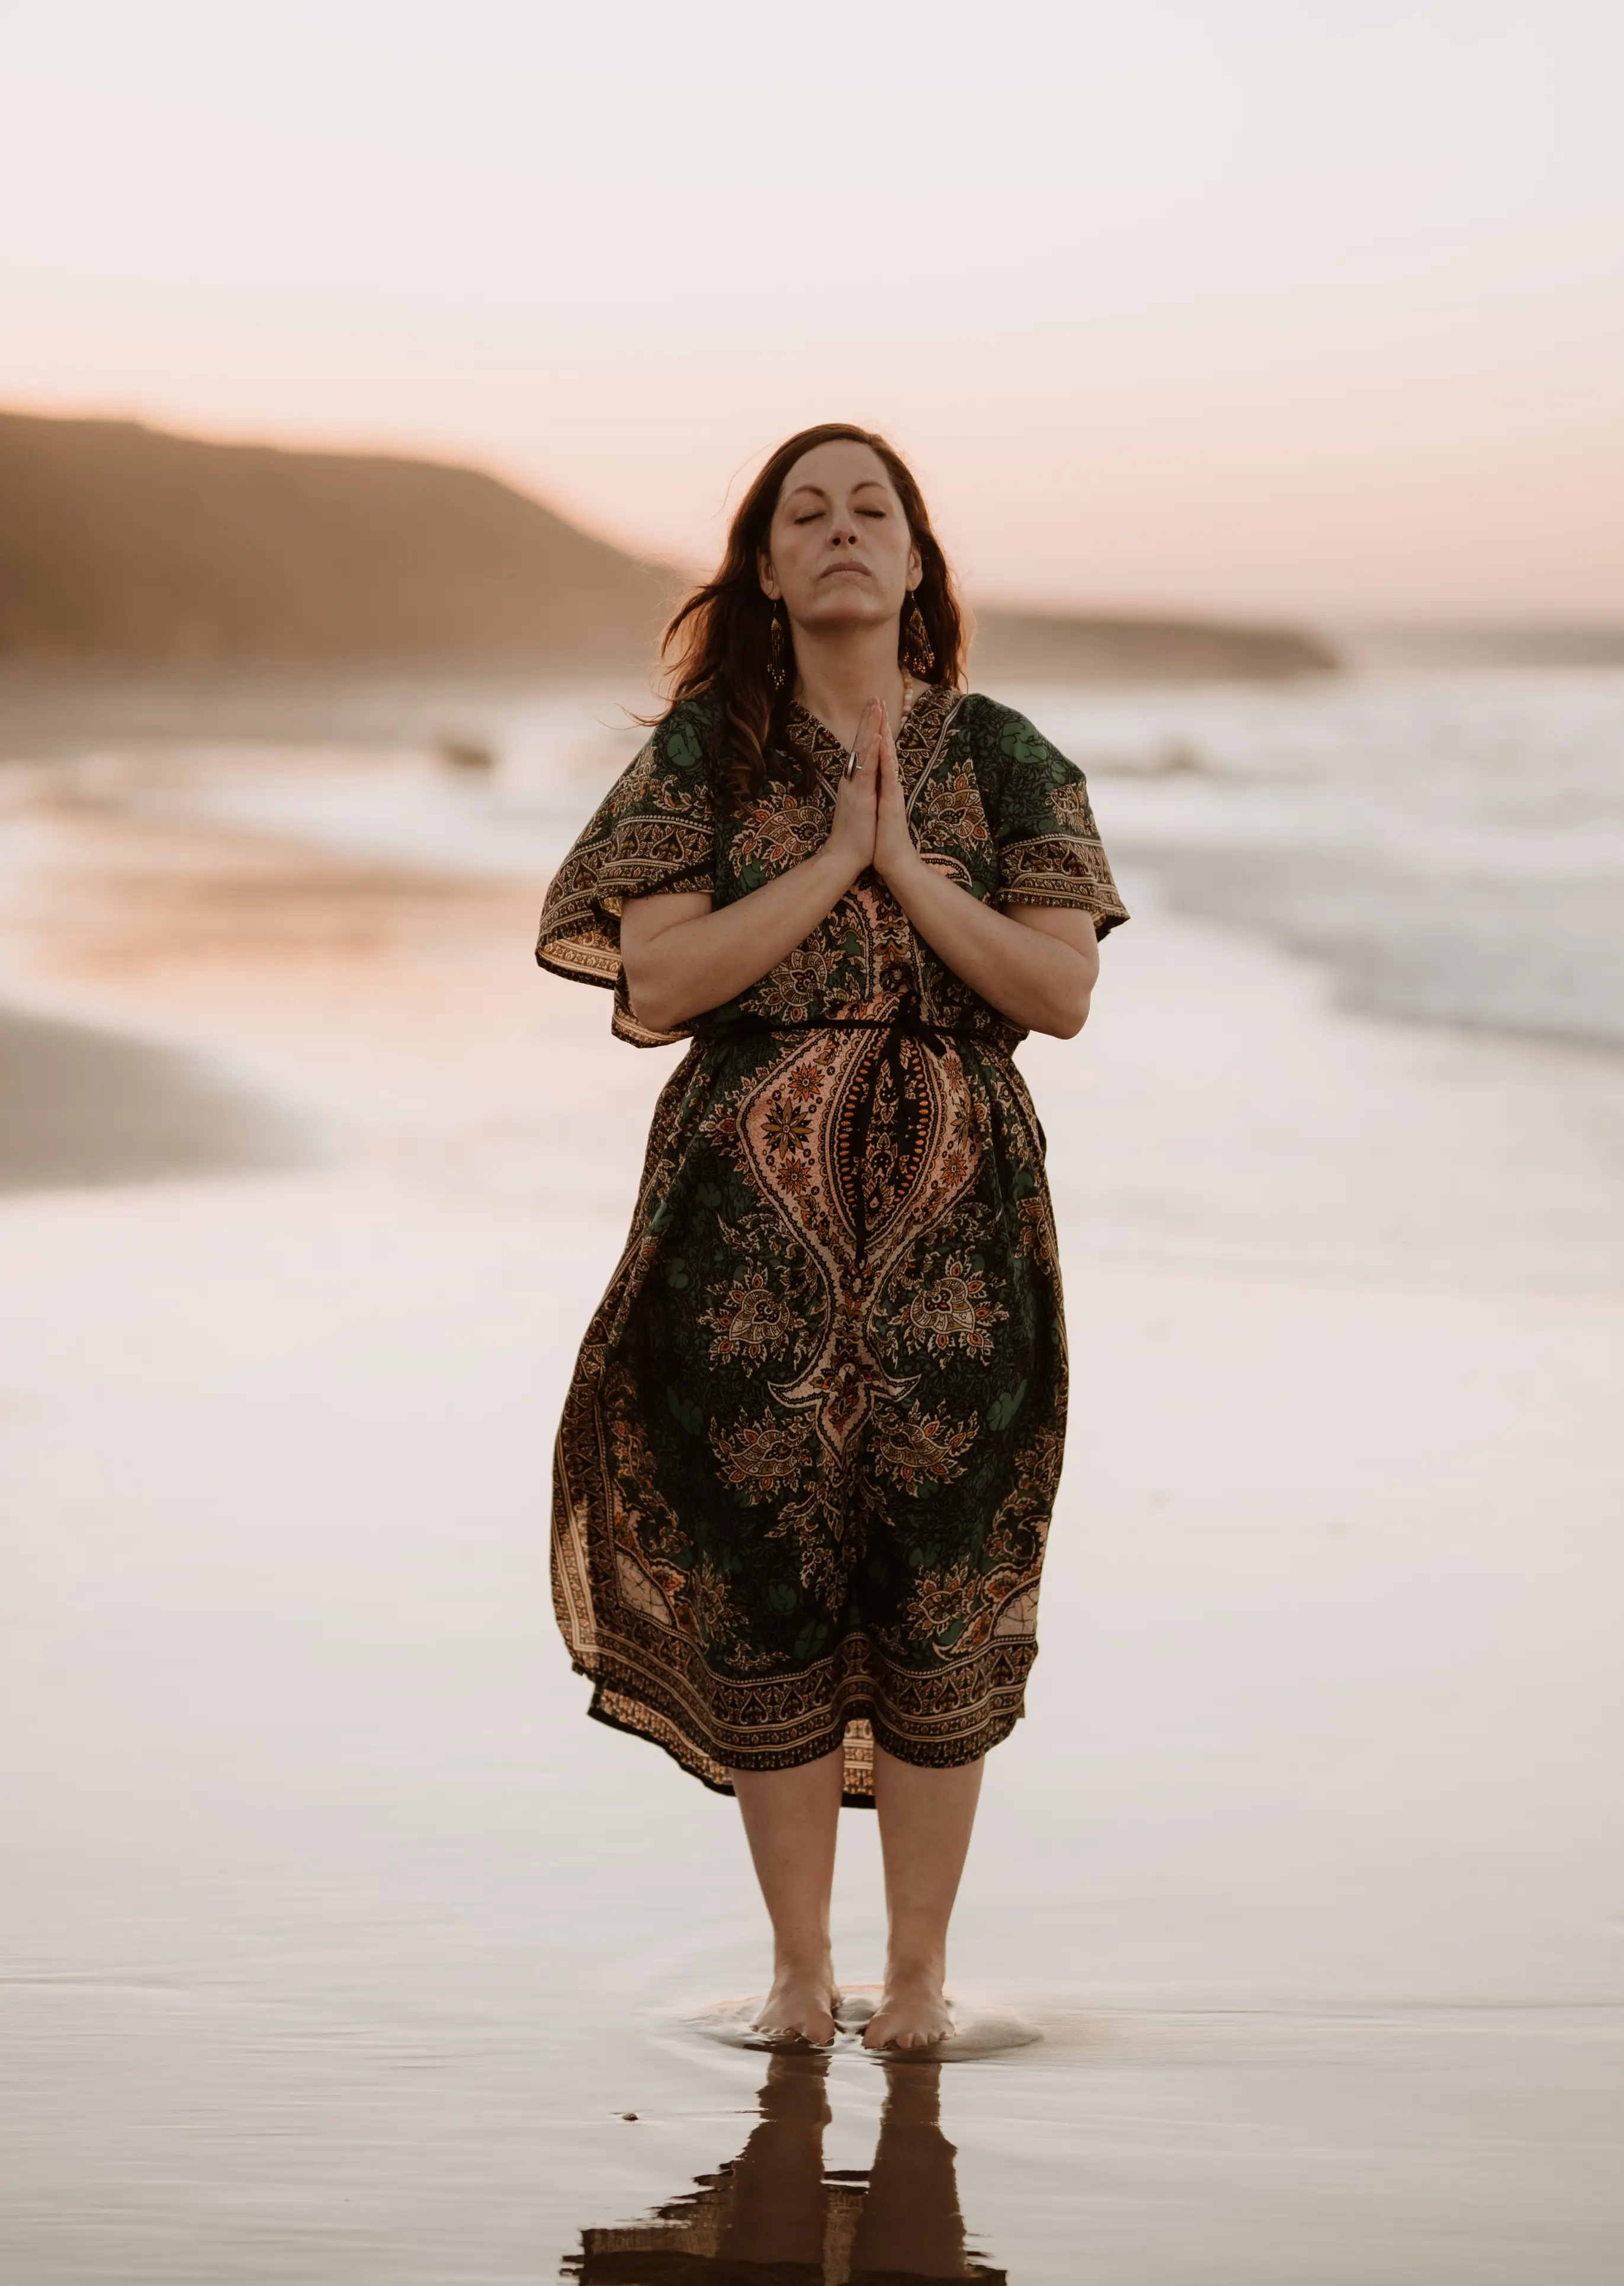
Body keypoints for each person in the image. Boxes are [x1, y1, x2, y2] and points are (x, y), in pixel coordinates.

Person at [535, 423, 1128, 2050]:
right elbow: (658, 985)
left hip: (962, 1239)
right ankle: (803, 1973)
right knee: (768, 1584)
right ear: (767, 568)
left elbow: (1059, 989)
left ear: (920, 561)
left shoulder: (1007, 758)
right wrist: (827, 861)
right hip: (741, 1244)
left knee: (944, 1589)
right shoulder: (698, 759)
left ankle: (918, 1982)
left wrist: (902, 868)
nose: (843, 529)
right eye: (807, 512)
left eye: (873, 508)